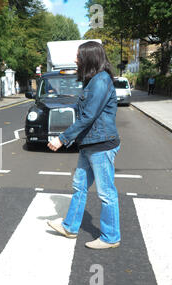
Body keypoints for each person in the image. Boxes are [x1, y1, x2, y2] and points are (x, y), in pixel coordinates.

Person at [47, 41, 121, 250]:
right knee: (79, 186)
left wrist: (62, 138)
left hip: (101, 144)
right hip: (89, 144)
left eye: (79, 56)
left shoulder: (100, 81)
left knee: (106, 193)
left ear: (90, 58)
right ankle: (70, 226)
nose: (75, 60)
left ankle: (111, 236)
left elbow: (88, 116)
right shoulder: (93, 81)